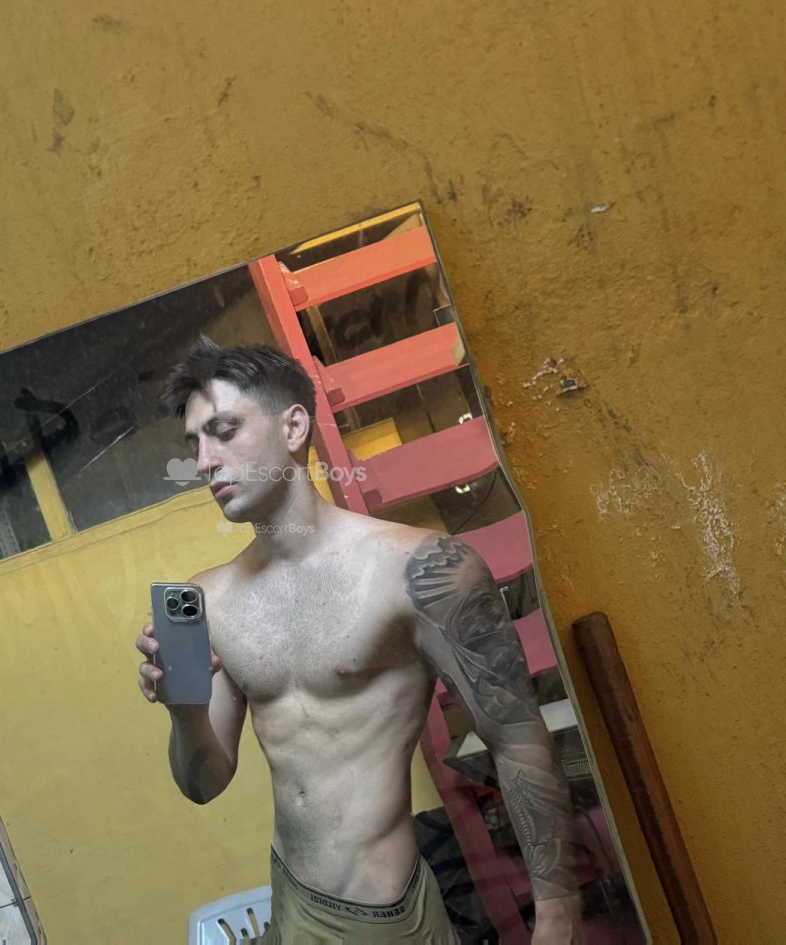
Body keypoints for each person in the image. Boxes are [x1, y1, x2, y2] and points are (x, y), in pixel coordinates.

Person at [135, 337, 584, 943]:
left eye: (223, 431)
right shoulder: (210, 598)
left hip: (386, 917)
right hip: (291, 903)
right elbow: (204, 785)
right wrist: (185, 715)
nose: (205, 461)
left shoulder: (417, 570)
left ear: (294, 427)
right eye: (194, 443)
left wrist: (559, 910)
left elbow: (517, 737)